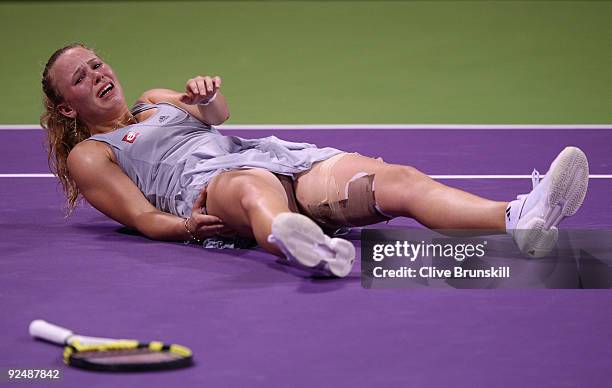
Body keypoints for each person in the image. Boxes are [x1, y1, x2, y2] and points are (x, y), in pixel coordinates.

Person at [40, 43, 589, 277]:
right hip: (210, 189)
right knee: (255, 190)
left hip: (273, 156)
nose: (97, 74)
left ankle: (518, 218)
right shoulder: (92, 154)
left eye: (96, 63)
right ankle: (301, 243)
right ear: (68, 106)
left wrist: (207, 97)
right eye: (80, 77)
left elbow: (219, 116)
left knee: (396, 181)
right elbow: (141, 218)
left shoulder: (156, 100)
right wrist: (184, 226)